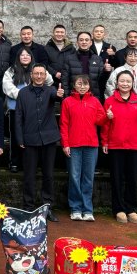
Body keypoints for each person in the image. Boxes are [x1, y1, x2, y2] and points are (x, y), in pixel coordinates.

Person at [15, 63, 64, 222]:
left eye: (41, 74)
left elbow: (56, 97)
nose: (39, 76)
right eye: (36, 73)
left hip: (49, 140)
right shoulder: (23, 93)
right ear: (31, 75)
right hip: (29, 140)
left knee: (48, 175)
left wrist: (60, 95)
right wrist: (20, 138)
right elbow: (18, 117)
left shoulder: (51, 90)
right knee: (29, 176)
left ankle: (47, 207)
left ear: (45, 75)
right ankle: (28, 208)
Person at [102, 71, 137, 224]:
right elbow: (105, 124)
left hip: (135, 145)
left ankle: (131, 208)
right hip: (116, 145)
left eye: (128, 81)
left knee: (132, 178)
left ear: (132, 83)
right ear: (117, 83)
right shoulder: (110, 101)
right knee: (116, 178)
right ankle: (118, 209)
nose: (125, 84)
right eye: (122, 81)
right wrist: (105, 142)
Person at [60, 75, 106, 222]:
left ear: (89, 86)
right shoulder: (67, 101)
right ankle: (75, 208)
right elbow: (64, 124)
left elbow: (100, 121)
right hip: (73, 145)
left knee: (88, 177)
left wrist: (107, 116)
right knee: (74, 177)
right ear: (74, 85)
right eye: (79, 84)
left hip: (91, 145)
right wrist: (65, 144)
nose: (82, 87)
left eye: (85, 84)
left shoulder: (95, 101)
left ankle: (87, 209)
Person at [3, 48, 53, 173]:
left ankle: (31, 164)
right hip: (15, 108)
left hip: (33, 109)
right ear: (18, 57)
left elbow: (49, 80)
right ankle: (14, 162)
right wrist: (23, 95)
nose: (25, 57)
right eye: (22, 55)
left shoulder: (36, 69)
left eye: (27, 55)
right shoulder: (11, 70)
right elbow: (7, 87)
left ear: (31, 57)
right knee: (16, 136)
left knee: (32, 137)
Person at [62, 31, 110, 100]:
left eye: (87, 40)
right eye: (81, 40)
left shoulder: (98, 59)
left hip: (93, 97)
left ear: (91, 43)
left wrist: (106, 71)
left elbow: (101, 81)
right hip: (74, 97)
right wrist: (67, 97)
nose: (84, 42)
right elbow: (64, 80)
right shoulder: (69, 59)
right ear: (77, 42)